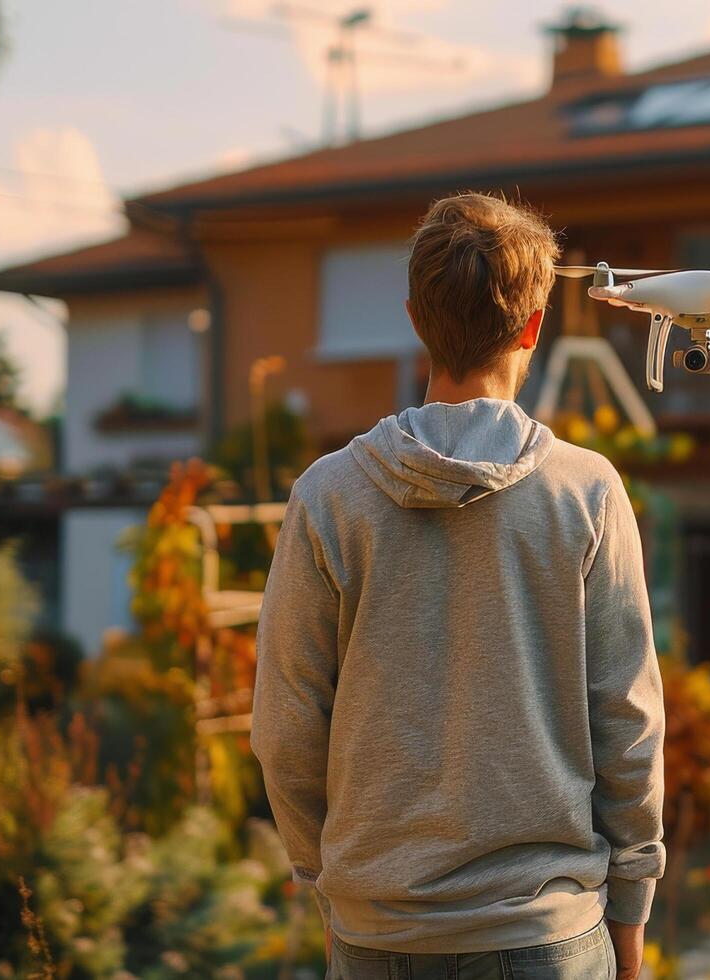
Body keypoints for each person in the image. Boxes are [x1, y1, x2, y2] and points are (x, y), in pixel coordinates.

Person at [252, 192, 665, 979]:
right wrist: (632, 916)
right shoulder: (586, 491)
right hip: (546, 934)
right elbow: (629, 721)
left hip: (376, 935)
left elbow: (284, 725)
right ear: (533, 327)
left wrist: (329, 878)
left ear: (415, 319)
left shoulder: (328, 496)